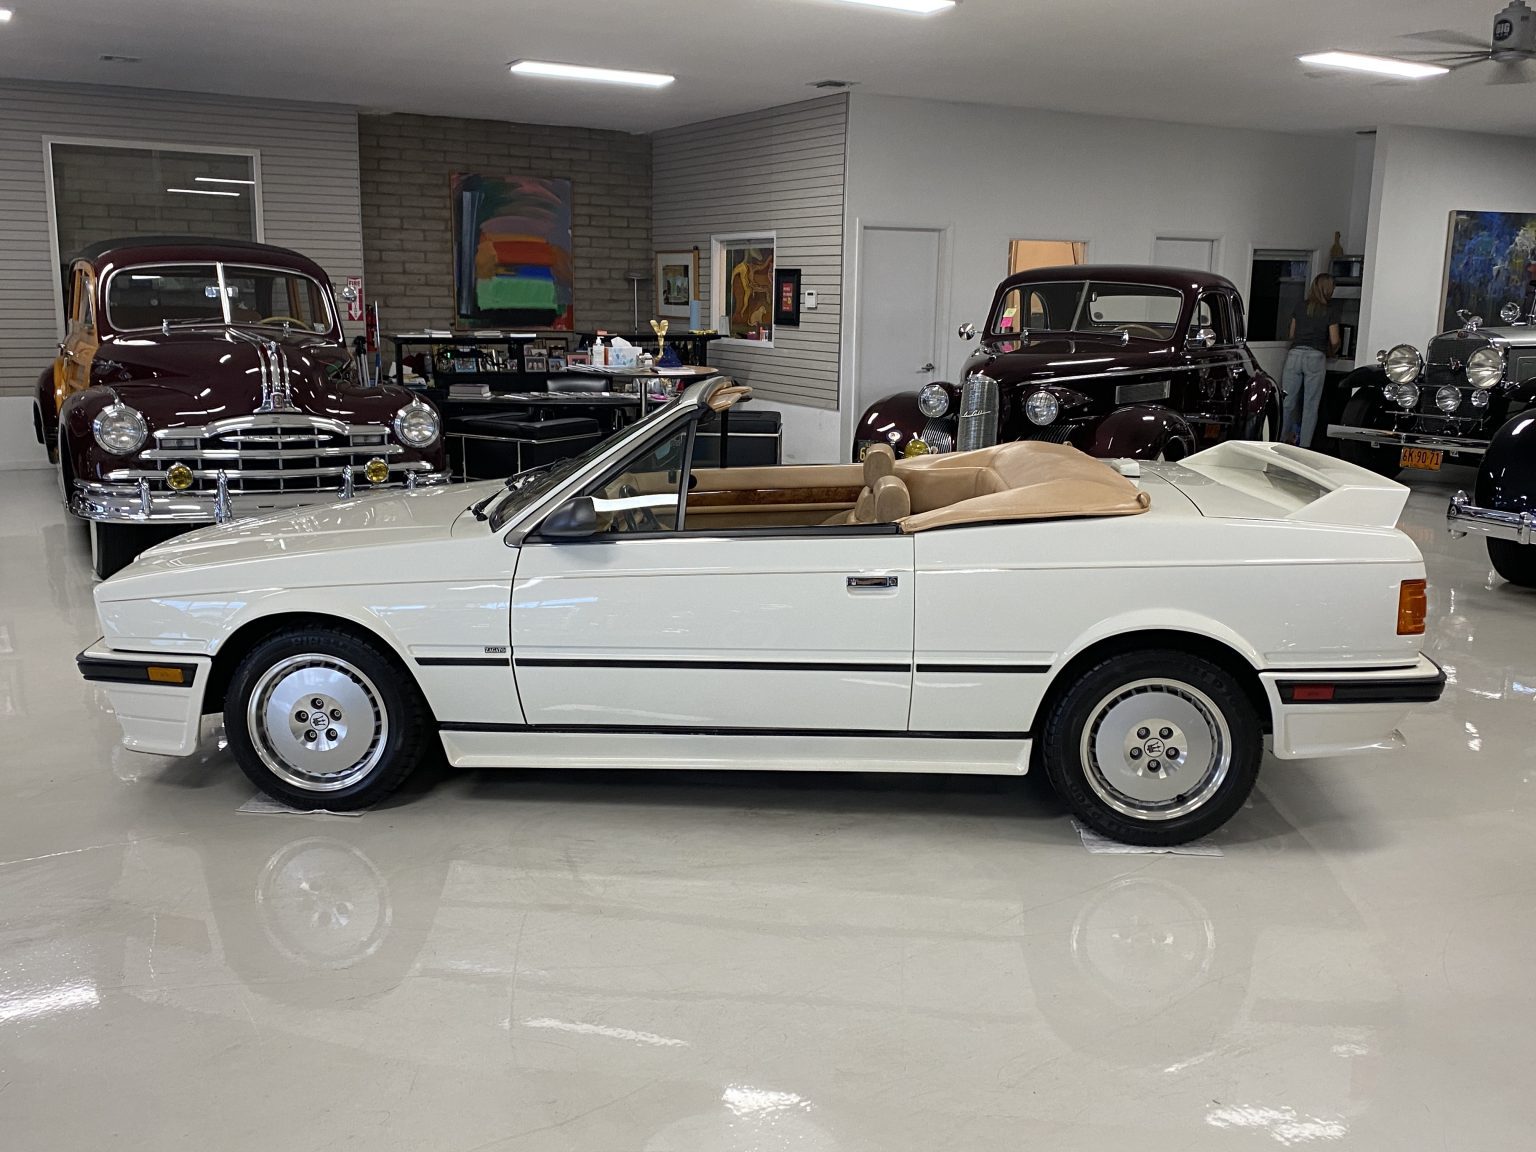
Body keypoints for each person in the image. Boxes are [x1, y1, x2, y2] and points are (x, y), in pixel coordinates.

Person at [1281, 273, 1341, 448]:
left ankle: (1279, 440)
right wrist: (1331, 351)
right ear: (1329, 289)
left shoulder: (1300, 306)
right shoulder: (1330, 311)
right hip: (1315, 357)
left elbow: (1292, 334)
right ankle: (1304, 446)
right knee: (1310, 405)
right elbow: (1335, 340)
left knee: (1288, 402)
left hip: (1294, 356)